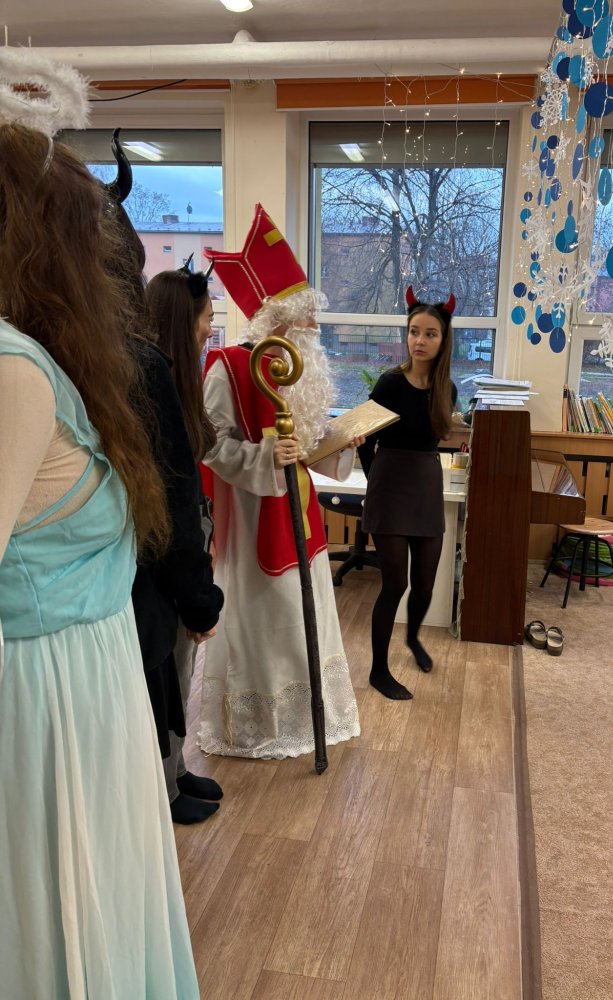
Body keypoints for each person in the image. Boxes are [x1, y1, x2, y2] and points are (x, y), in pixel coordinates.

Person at [0, 114, 199, 998]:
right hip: (44, 705)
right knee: (56, 927)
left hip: (88, 688)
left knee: (101, 921)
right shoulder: (14, 370)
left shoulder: (49, 361)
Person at [197, 203, 361, 759]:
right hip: (253, 520)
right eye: (306, 316)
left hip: (302, 517)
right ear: (277, 319)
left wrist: (339, 444)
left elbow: (306, 447)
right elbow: (211, 445)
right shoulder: (228, 366)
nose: (314, 327)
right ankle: (257, 727)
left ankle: (311, 716)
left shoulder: (297, 372)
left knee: (304, 614)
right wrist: (267, 455)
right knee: (269, 620)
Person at [143, 265, 226, 823]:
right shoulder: (156, 386)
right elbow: (173, 500)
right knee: (167, 673)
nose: (210, 329)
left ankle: (175, 768)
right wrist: (197, 591)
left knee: (183, 663)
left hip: (190, 538)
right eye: (206, 318)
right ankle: (163, 786)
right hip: (166, 556)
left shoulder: (178, 382)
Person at [357, 286, 458, 701]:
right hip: (390, 486)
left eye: (430, 333)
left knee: (425, 585)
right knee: (394, 583)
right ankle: (378, 671)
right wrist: (377, 483)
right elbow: (364, 441)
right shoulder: (389, 384)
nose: (419, 340)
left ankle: (413, 637)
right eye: (414, 331)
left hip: (425, 485)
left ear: (443, 339)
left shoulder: (447, 389)